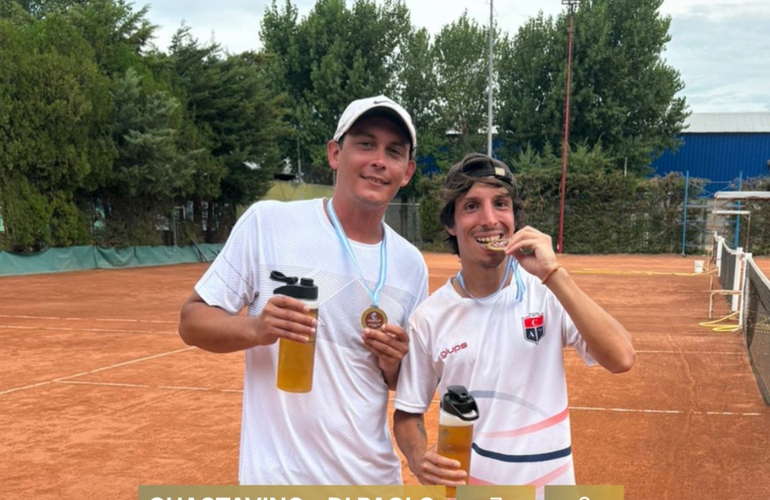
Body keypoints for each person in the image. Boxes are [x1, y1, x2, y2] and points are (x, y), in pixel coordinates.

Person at [178, 95, 429, 485]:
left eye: (393, 151)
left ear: (407, 171)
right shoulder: (269, 223)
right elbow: (191, 321)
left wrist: (393, 362)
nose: (379, 160)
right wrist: (256, 329)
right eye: (365, 144)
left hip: (372, 479)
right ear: (335, 153)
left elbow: (403, 381)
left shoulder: (411, 264)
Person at [393, 153, 635, 498]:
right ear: (451, 223)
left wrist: (553, 274)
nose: (490, 219)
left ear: (514, 218)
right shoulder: (429, 318)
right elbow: (407, 413)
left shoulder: (546, 292)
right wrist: (418, 457)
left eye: (501, 204)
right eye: (472, 206)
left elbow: (622, 357)